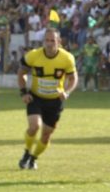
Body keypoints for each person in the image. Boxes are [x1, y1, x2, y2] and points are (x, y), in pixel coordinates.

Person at [17, 28, 77, 170]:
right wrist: (23, 93)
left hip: (55, 101)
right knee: (34, 126)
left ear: (59, 42)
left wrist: (67, 92)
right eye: (46, 40)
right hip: (36, 98)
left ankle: (33, 158)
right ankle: (27, 152)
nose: (49, 44)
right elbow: (21, 73)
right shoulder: (33, 55)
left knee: (46, 135)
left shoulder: (67, 58)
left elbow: (73, 78)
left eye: (52, 41)